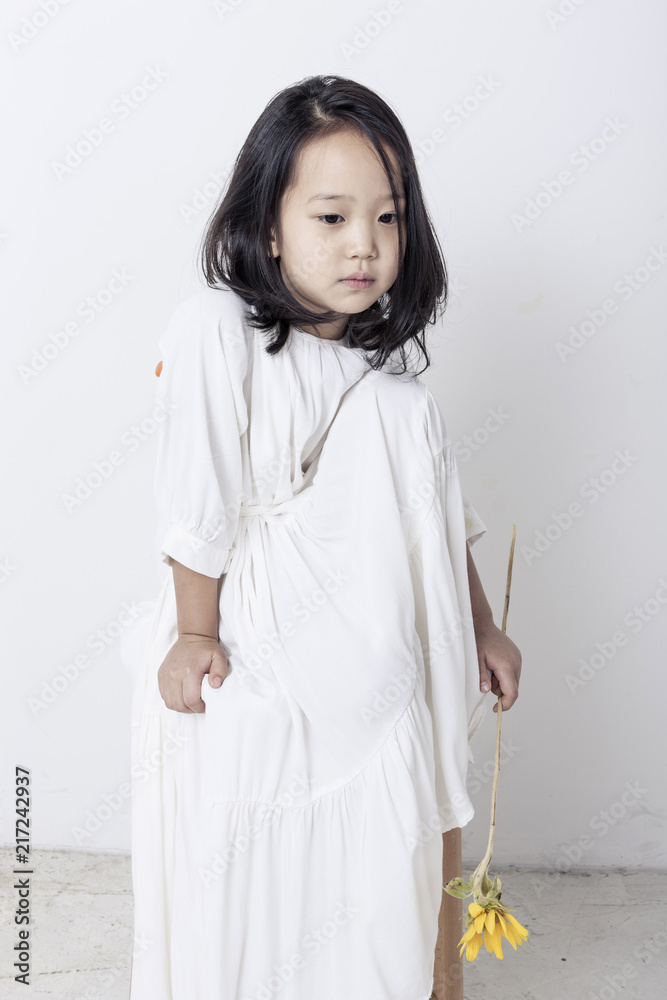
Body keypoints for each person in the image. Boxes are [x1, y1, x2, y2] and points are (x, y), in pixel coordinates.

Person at [122, 73, 522, 1000]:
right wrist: (194, 630)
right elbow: (196, 494)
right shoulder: (217, 328)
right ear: (267, 228)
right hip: (260, 620)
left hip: (368, 635)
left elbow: (432, 524)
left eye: (387, 219)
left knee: (401, 407)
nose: (364, 246)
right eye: (332, 218)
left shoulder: (382, 386)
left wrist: (481, 626)